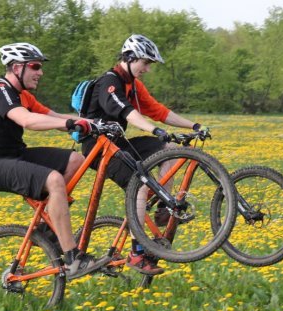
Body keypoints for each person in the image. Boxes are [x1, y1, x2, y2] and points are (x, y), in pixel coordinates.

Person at [0, 42, 98, 286]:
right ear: (17, 67)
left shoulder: (22, 95)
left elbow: (52, 117)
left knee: (75, 160)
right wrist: (70, 125)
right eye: (35, 66)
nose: (40, 72)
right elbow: (26, 120)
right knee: (54, 180)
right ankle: (72, 258)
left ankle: (47, 224)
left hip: (14, 154)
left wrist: (89, 122)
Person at [83, 34, 204, 276]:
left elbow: (158, 111)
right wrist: (154, 130)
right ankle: (137, 253)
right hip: (99, 149)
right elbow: (127, 113)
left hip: (119, 144)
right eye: (145, 63)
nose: (147, 69)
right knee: (139, 184)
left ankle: (162, 205)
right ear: (129, 58)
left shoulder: (133, 85)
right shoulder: (110, 82)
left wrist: (194, 126)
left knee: (169, 150)